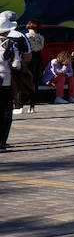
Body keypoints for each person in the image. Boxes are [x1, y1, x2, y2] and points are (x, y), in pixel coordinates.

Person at [0, 11, 26, 149]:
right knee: (5, 110)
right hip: (6, 80)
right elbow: (17, 64)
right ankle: (2, 141)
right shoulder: (11, 44)